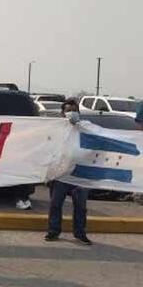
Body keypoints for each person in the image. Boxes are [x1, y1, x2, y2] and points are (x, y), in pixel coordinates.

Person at [45, 99, 92, 245]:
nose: (72, 114)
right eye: (68, 111)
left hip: (79, 175)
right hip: (60, 174)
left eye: (75, 111)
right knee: (55, 204)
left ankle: (80, 233)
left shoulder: (86, 128)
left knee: (81, 206)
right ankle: (53, 231)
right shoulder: (56, 130)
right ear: (62, 113)